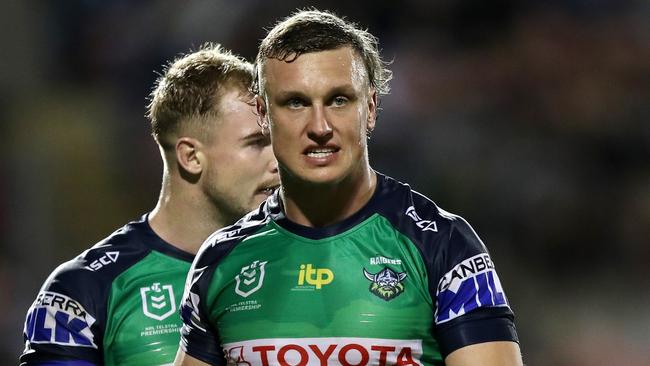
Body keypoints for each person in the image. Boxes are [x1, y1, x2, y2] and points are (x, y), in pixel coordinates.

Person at [174, 10, 523, 366]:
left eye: (339, 100)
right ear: (263, 114)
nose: (320, 126)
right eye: (296, 102)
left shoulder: (442, 244)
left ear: (370, 108)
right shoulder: (220, 261)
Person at [20, 43, 279, 366]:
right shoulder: (87, 288)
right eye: (257, 143)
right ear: (191, 157)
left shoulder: (299, 264)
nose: (278, 160)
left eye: (278, 140)